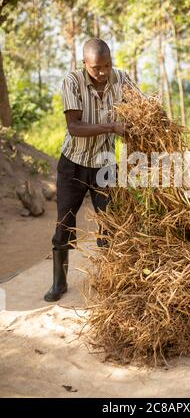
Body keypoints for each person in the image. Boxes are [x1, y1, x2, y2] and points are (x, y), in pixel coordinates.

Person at [44, 38, 143, 302]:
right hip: (73, 165)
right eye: (96, 68)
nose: (102, 73)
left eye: (107, 66)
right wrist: (112, 127)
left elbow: (142, 110)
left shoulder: (122, 79)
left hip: (105, 165)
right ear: (85, 63)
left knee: (110, 227)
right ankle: (59, 283)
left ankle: (110, 281)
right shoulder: (72, 81)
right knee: (64, 224)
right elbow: (74, 127)